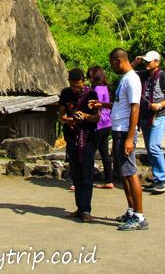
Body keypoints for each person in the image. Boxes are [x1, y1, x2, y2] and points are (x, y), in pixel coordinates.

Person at [89, 48, 147, 230]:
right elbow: (121, 105)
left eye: (112, 63)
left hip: (124, 132)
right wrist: (103, 104)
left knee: (130, 173)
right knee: (124, 173)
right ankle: (131, 210)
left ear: (119, 61)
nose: (111, 67)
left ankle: (139, 216)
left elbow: (135, 108)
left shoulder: (132, 80)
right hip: (119, 130)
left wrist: (130, 137)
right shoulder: (125, 79)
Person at [128, 51, 165, 192]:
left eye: (150, 61)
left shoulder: (164, 78)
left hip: (159, 116)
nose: (147, 63)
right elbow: (127, 73)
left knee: (154, 146)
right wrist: (135, 62)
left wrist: (160, 105)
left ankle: (162, 179)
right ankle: (157, 178)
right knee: (150, 149)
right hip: (146, 117)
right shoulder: (142, 75)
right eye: (146, 61)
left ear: (157, 62)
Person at [59, 69, 101, 222]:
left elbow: (97, 118)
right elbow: (61, 115)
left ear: (84, 82)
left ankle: (86, 209)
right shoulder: (65, 93)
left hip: (88, 138)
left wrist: (85, 116)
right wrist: (68, 120)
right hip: (71, 137)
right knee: (75, 174)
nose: (76, 89)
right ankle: (79, 207)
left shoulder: (91, 94)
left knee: (87, 174)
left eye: (79, 86)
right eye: (73, 86)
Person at [87, 66, 114, 189]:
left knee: (89, 153)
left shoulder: (97, 89)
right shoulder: (105, 88)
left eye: (91, 76)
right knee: (104, 153)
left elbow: (95, 107)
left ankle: (86, 180)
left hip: (98, 124)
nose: (90, 79)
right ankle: (109, 180)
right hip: (107, 123)